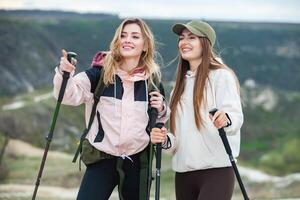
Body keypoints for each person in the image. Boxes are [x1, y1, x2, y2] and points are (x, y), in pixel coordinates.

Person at [53, 18, 169, 200]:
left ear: (145, 45)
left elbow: (159, 120)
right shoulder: (98, 74)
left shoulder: (152, 82)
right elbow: (67, 96)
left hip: (137, 161)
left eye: (135, 36)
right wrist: (64, 74)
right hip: (102, 158)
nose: (127, 40)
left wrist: (161, 109)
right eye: (123, 35)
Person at [151, 20, 243, 200]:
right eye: (181, 38)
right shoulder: (179, 85)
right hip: (184, 173)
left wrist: (226, 119)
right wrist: (164, 140)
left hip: (216, 171)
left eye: (191, 37)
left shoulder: (221, 76)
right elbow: (179, 137)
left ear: (205, 43)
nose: (184, 42)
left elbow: (236, 117)